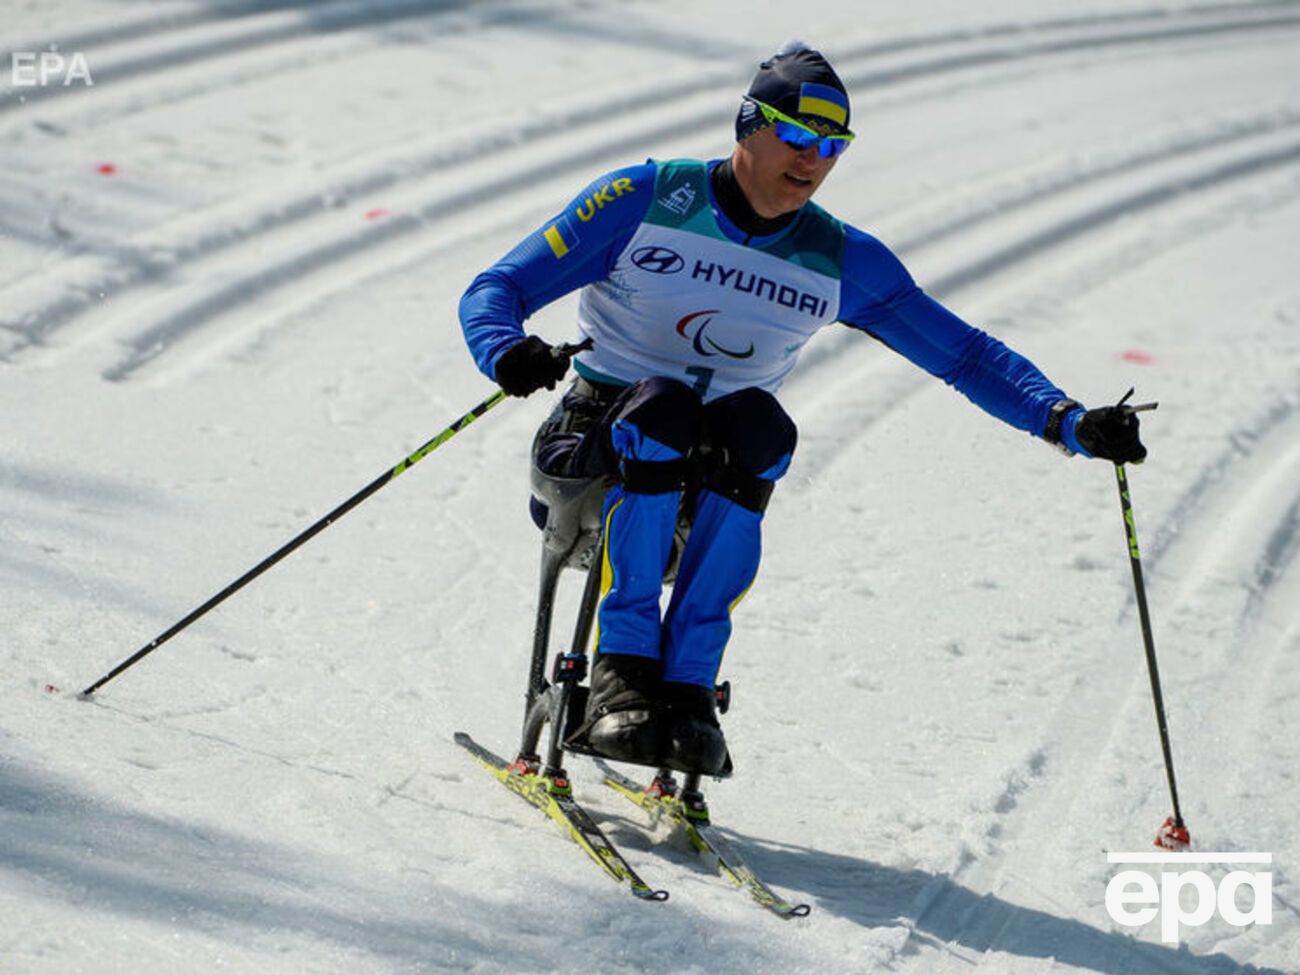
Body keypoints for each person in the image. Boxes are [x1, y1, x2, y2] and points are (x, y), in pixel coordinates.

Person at [458, 42, 1147, 777]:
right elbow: (496, 287)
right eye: (796, 136)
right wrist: (508, 349)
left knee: (761, 426)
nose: (813, 159)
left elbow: (965, 355)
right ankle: (622, 671)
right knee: (662, 406)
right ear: (747, 125)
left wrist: (1068, 419)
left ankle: (688, 688)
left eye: (831, 147)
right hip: (589, 447)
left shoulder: (839, 257)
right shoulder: (647, 199)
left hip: (701, 473)